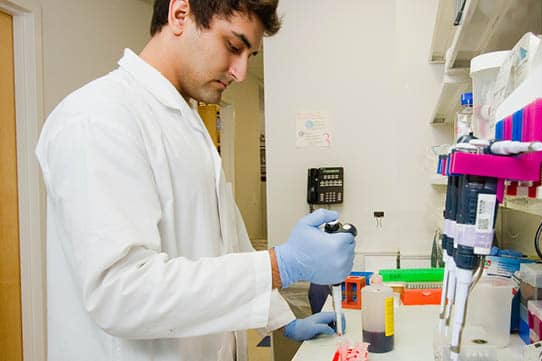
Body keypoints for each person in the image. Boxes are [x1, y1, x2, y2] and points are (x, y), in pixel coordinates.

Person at [35, 1, 356, 360]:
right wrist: (281, 265)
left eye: (249, 54)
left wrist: (281, 319)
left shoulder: (187, 124)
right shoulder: (98, 118)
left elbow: (228, 246)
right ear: (180, 13)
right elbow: (121, 293)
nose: (241, 72)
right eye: (234, 47)